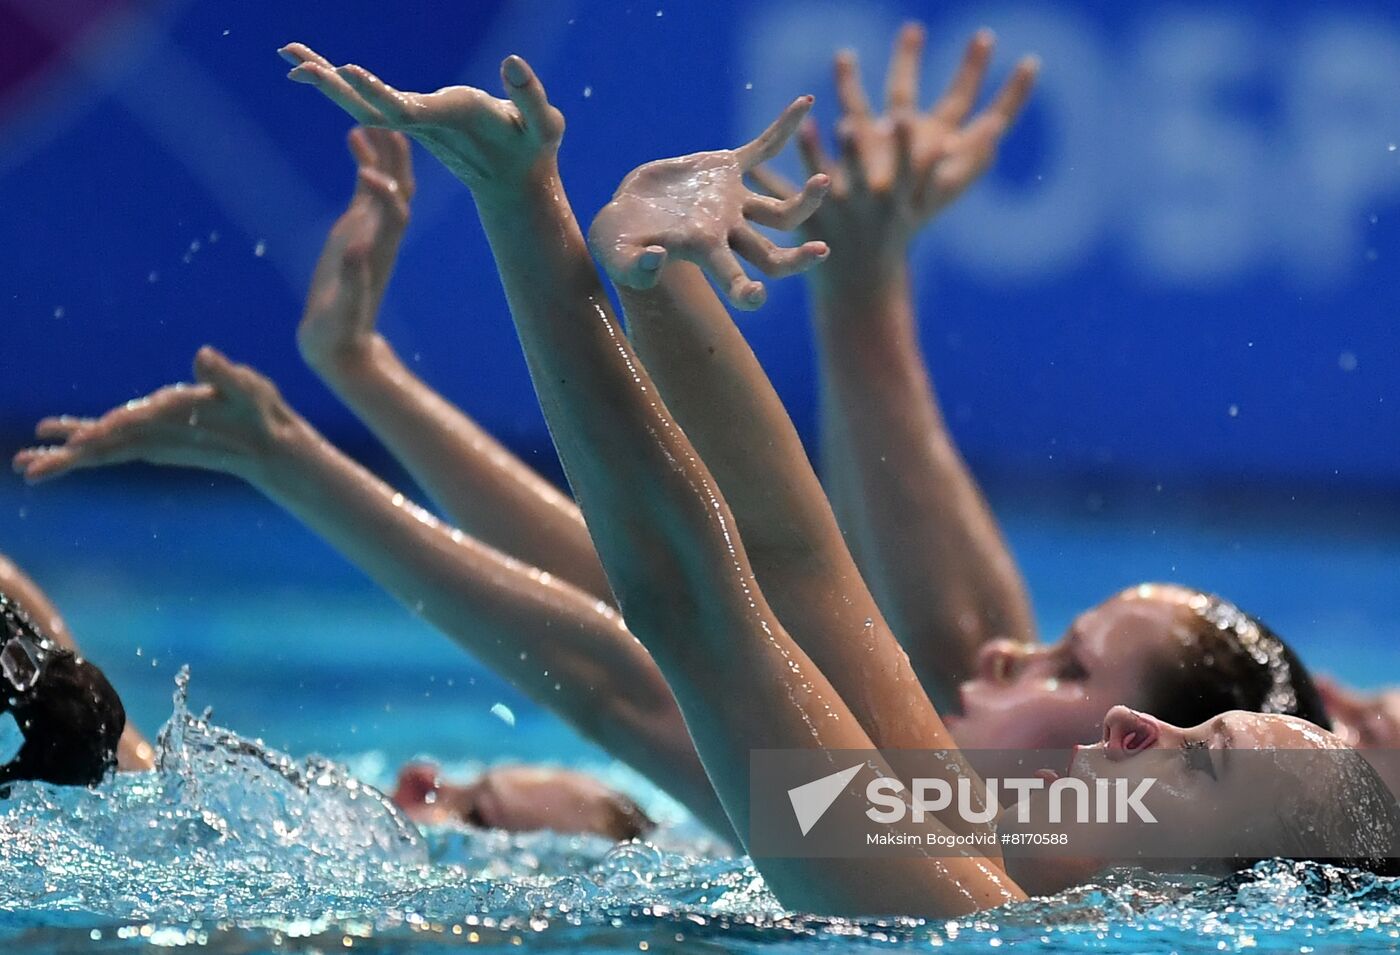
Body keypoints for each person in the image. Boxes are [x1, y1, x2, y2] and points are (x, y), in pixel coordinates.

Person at [18, 48, 1397, 917]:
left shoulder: (945, 897)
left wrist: (530, 215)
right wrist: (653, 271)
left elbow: (685, 610)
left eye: (1205, 762)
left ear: (1230, 895)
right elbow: (791, 563)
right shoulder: (958, 818)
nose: (1141, 740)